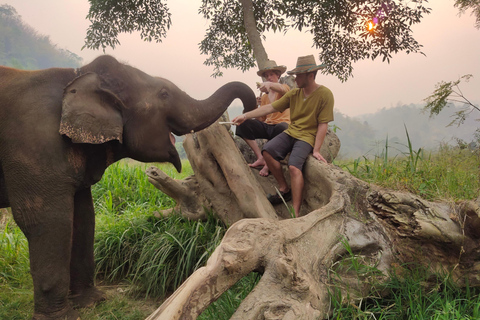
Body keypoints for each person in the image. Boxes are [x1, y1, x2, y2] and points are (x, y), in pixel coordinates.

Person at [232, 55, 334, 217]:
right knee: (268, 151)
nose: (295, 78)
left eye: (299, 75)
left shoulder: (324, 94)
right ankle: (284, 189)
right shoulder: (295, 94)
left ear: (310, 75)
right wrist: (245, 116)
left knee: (294, 167)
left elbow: (323, 124)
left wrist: (316, 150)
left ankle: (296, 211)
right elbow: (269, 109)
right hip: (291, 131)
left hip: (306, 136)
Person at [235, 60, 291, 176]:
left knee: (282, 127)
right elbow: (262, 119)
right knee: (244, 125)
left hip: (282, 127)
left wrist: (270, 85)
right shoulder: (265, 97)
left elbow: (283, 89)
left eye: (271, 74)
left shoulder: (284, 88)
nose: (269, 77)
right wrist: (256, 107)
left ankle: (268, 165)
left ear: (278, 75)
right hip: (269, 126)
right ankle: (260, 158)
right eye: (266, 76)